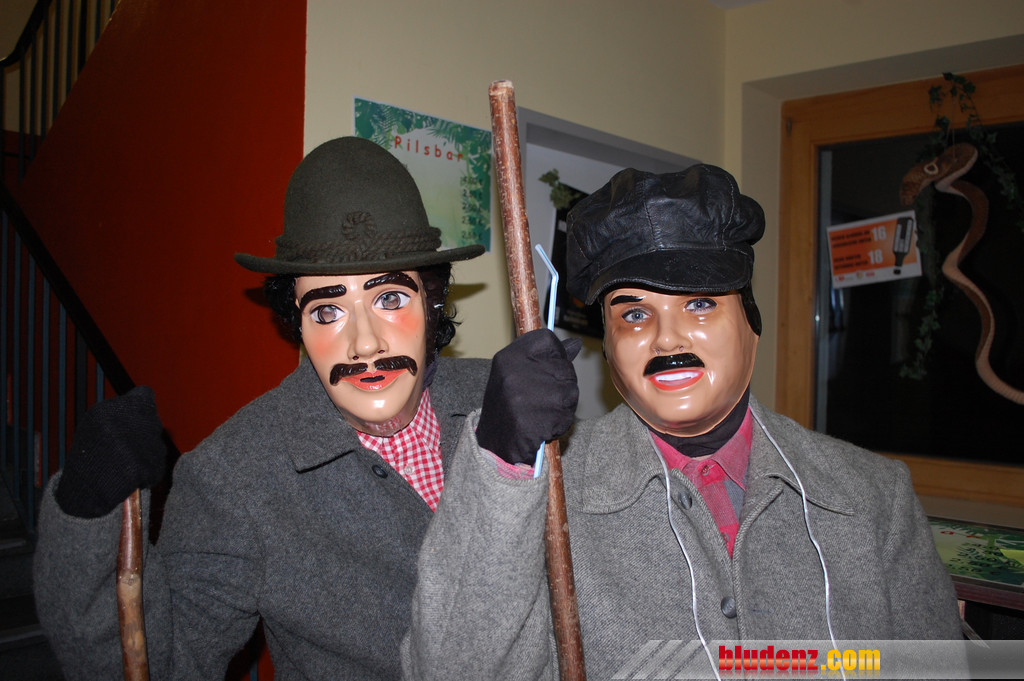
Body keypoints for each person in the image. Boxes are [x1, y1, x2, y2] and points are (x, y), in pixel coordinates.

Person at [33, 136, 579, 680]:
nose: (364, 343)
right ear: (294, 319)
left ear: (433, 301)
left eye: (389, 299)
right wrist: (88, 512)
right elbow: (159, 665)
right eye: (326, 312)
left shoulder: (506, 401)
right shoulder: (236, 477)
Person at [403, 164, 963, 680]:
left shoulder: (873, 498)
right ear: (608, 347)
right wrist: (501, 459)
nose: (667, 339)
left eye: (699, 304)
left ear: (751, 322)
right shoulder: (551, 499)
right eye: (634, 314)